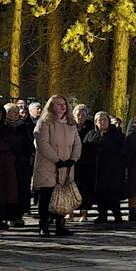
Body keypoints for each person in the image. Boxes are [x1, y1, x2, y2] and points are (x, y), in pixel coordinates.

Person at [32, 94, 81, 237]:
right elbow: (42, 144)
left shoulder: (70, 124)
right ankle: (44, 225)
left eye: (64, 103)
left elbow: (77, 144)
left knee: (62, 196)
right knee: (46, 196)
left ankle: (61, 225)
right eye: (58, 104)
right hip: (48, 166)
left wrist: (73, 159)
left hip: (66, 166)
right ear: (51, 106)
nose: (62, 106)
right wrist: (57, 160)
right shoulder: (44, 123)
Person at [82, 112, 125, 224]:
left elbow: (123, 151)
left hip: (112, 170)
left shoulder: (116, 134)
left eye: (104, 120)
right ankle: (102, 215)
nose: (101, 122)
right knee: (100, 194)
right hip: (96, 170)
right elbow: (85, 151)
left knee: (113, 194)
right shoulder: (91, 134)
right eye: (99, 120)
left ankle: (117, 216)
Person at [4, 102, 33, 226]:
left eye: (16, 112)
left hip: (21, 163)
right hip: (6, 163)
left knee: (21, 190)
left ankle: (18, 215)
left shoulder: (23, 126)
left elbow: (29, 144)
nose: (15, 115)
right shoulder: (2, 127)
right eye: (11, 112)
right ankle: (6, 215)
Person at [72, 104, 94, 221]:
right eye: (78, 115)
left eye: (83, 115)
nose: (80, 117)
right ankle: (69, 211)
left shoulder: (90, 126)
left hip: (86, 161)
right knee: (71, 187)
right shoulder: (69, 125)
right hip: (72, 161)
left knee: (85, 189)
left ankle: (83, 212)